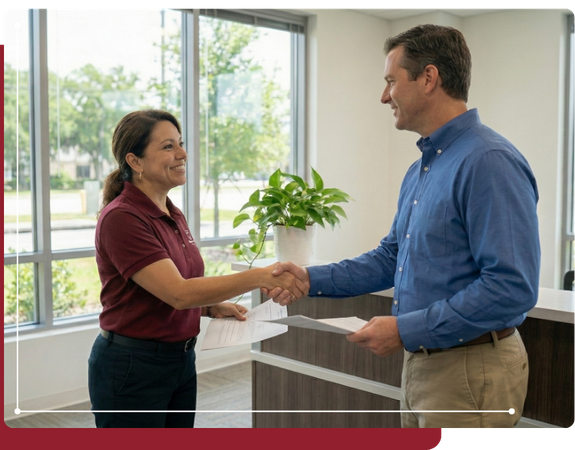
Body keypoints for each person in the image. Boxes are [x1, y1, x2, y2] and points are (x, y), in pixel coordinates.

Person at [264, 24, 540, 429]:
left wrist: (408, 329)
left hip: (469, 368)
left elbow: (511, 287)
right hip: (424, 364)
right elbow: (390, 257)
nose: (383, 95)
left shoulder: (488, 161)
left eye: (391, 81)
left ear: (428, 78)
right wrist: (308, 277)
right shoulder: (421, 169)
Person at [88, 109, 308, 428]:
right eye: (168, 147)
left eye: (180, 143)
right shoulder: (122, 218)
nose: (182, 154)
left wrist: (209, 307)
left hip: (179, 361)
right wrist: (261, 275)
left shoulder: (171, 212)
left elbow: (165, 289)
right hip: (133, 367)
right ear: (135, 161)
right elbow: (177, 293)